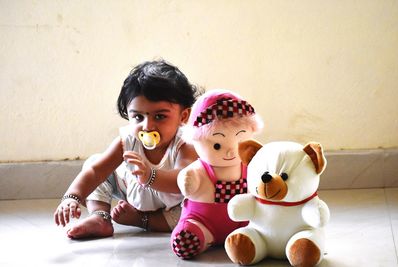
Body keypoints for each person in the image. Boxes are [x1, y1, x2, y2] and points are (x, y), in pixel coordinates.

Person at [54, 59, 202, 239]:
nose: (148, 126)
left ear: (183, 116)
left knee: (190, 215)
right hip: (133, 189)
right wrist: (72, 197)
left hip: (171, 202)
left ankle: (142, 220)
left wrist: (150, 176)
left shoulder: (185, 145)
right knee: (95, 163)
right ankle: (100, 216)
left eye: (160, 116)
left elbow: (181, 180)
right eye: (138, 117)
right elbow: (95, 172)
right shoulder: (127, 141)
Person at [170, 89, 263, 259]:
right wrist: (188, 181)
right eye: (217, 145)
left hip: (246, 221)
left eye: (240, 141)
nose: (231, 151)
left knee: (263, 228)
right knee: (188, 237)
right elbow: (188, 181)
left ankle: (248, 239)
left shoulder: (250, 165)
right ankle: (195, 236)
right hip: (205, 222)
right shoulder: (199, 170)